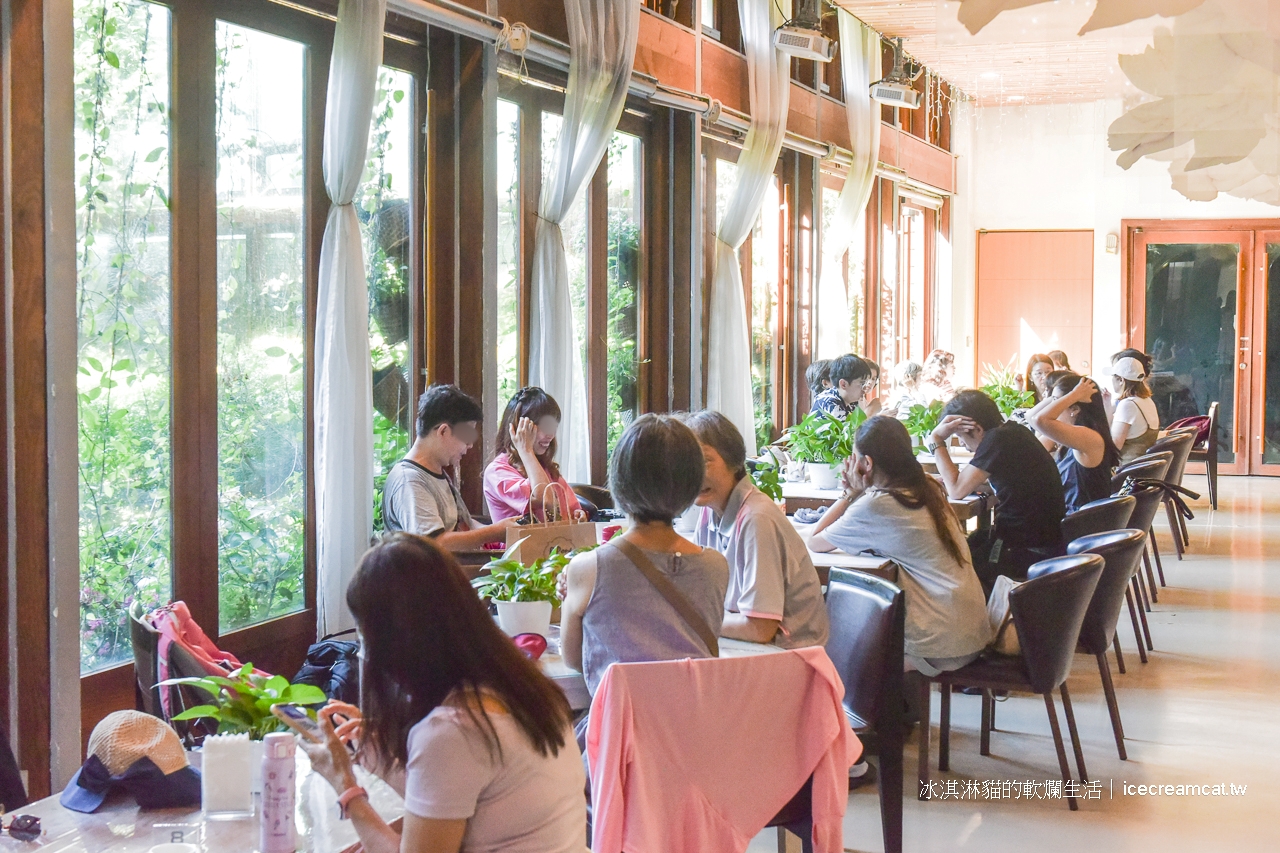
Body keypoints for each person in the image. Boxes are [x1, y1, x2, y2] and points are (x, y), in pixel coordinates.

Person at [299, 532, 588, 853]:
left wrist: (345, 785)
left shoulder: (453, 728)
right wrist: (377, 758)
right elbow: (463, 802)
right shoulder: (526, 688)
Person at [560, 414, 730, 702]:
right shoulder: (716, 566)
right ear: (691, 485)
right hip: (692, 739)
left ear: (619, 481)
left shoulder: (588, 568)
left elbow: (575, 660)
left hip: (619, 739)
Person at [810, 416, 992, 676]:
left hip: (942, 643)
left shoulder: (877, 504)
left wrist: (850, 494)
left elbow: (816, 541)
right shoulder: (927, 485)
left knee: (842, 656)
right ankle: (902, 714)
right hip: (969, 628)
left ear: (867, 463)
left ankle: (882, 715)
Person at [683, 410, 828, 649]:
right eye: (686, 464)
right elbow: (701, 595)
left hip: (792, 660)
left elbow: (759, 627)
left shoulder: (756, 518)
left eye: (705, 461)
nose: (694, 473)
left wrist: (698, 622)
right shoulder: (709, 512)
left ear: (734, 461)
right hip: (750, 651)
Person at [930, 390, 1066, 587]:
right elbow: (1008, 482)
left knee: (950, 561)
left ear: (976, 428)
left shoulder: (996, 440)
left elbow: (956, 490)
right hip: (1043, 541)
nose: (961, 443)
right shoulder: (1012, 432)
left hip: (1026, 550)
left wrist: (936, 442)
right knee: (966, 545)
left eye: (959, 436)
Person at [383, 385, 518, 550]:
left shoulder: (437, 473)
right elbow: (434, 543)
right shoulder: (409, 480)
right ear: (443, 431)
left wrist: (510, 530)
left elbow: (466, 525)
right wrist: (495, 531)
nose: (469, 446)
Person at [484, 387, 584, 523]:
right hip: (519, 544)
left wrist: (579, 515)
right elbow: (545, 499)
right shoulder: (497, 471)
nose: (550, 435)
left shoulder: (546, 469)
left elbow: (572, 509)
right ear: (518, 428)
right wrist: (526, 450)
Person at [1029, 372, 1119, 513]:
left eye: (1057, 401)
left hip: (1080, 524)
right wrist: (1059, 394)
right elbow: (1032, 417)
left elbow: (1040, 420)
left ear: (1075, 409)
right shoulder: (1075, 433)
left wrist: (1073, 395)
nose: (1053, 406)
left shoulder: (1088, 436)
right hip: (1073, 517)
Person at [1109, 355, 1161, 465]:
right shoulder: (1146, 401)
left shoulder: (1128, 405)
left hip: (1126, 473)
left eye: (1112, 376)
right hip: (1143, 469)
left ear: (1120, 380)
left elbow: (1114, 448)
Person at [810, 354, 875, 417]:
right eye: (862, 383)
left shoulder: (849, 401)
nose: (865, 388)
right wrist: (869, 412)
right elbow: (852, 428)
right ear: (843, 384)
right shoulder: (829, 402)